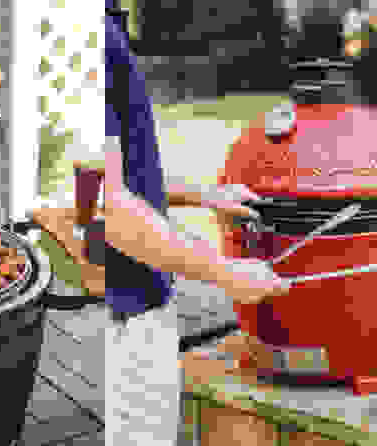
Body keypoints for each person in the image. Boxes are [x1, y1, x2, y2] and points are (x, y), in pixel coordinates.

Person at [102, 4, 290, 445]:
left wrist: (204, 195)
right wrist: (226, 273)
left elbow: (110, 172)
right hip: (121, 313)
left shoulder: (101, 22)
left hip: (137, 298)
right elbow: (103, 202)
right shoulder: (82, 32)